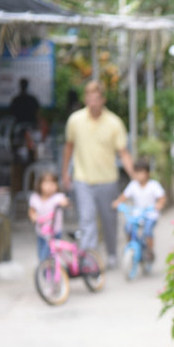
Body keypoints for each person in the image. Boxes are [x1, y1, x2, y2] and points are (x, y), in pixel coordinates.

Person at [61, 80, 135, 269]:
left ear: (103, 99)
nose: (92, 102)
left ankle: (111, 254)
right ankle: (90, 260)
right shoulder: (75, 120)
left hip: (107, 180)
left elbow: (123, 152)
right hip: (82, 179)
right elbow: (68, 148)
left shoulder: (114, 123)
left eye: (96, 99)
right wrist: (65, 173)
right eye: (89, 98)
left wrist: (135, 177)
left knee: (109, 221)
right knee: (87, 220)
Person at [111, 159, 166, 262]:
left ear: (147, 173)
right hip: (137, 214)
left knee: (147, 231)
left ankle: (149, 250)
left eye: (142, 172)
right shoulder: (133, 185)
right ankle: (131, 246)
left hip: (150, 214)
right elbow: (124, 196)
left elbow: (162, 197)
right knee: (128, 228)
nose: (139, 175)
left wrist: (159, 204)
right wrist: (117, 202)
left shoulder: (153, 185)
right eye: (137, 172)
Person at [28, 171, 69, 263]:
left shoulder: (57, 197)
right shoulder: (35, 198)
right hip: (41, 233)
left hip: (54, 232)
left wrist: (64, 203)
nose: (50, 186)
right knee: (41, 254)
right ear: (39, 184)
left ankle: (50, 272)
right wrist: (33, 216)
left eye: (53, 183)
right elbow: (32, 210)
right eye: (47, 183)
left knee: (49, 255)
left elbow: (65, 201)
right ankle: (45, 272)